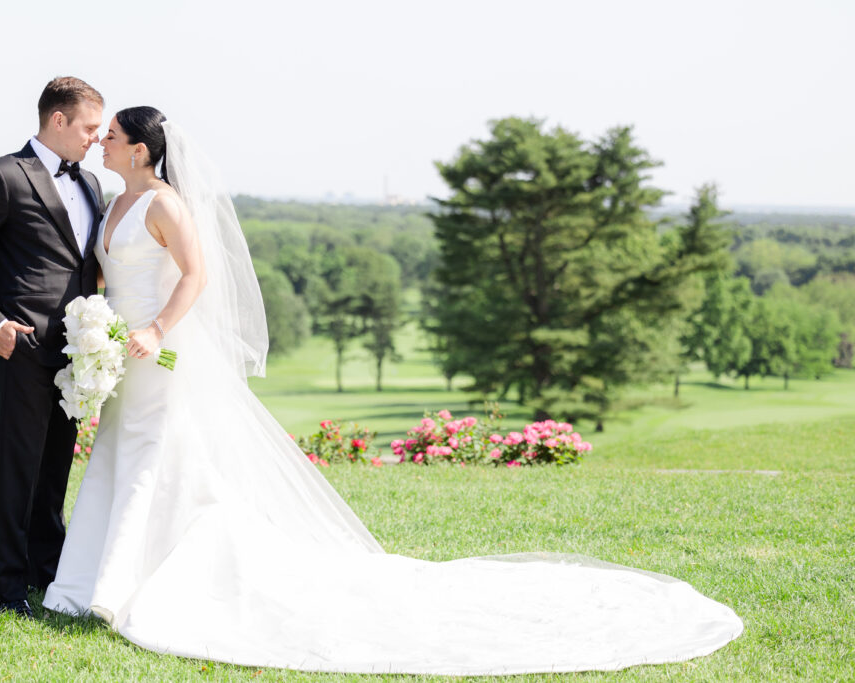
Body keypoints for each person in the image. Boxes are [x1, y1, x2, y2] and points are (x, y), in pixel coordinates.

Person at [42, 106, 744, 675]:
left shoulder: (166, 203)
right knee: (119, 458)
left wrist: (160, 329)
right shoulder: (113, 202)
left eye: (113, 137)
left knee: (152, 457)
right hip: (121, 354)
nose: (102, 143)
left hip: (163, 356)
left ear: (141, 150)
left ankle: (117, 591)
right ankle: (86, 581)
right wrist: (98, 331)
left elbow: (194, 277)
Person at [0, 77, 105, 618]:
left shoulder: (92, 185)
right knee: (18, 470)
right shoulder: (4, 176)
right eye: (87, 128)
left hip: (78, 351)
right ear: (58, 120)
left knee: (55, 468)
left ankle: (46, 574)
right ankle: (10, 590)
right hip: (23, 349)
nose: (94, 139)